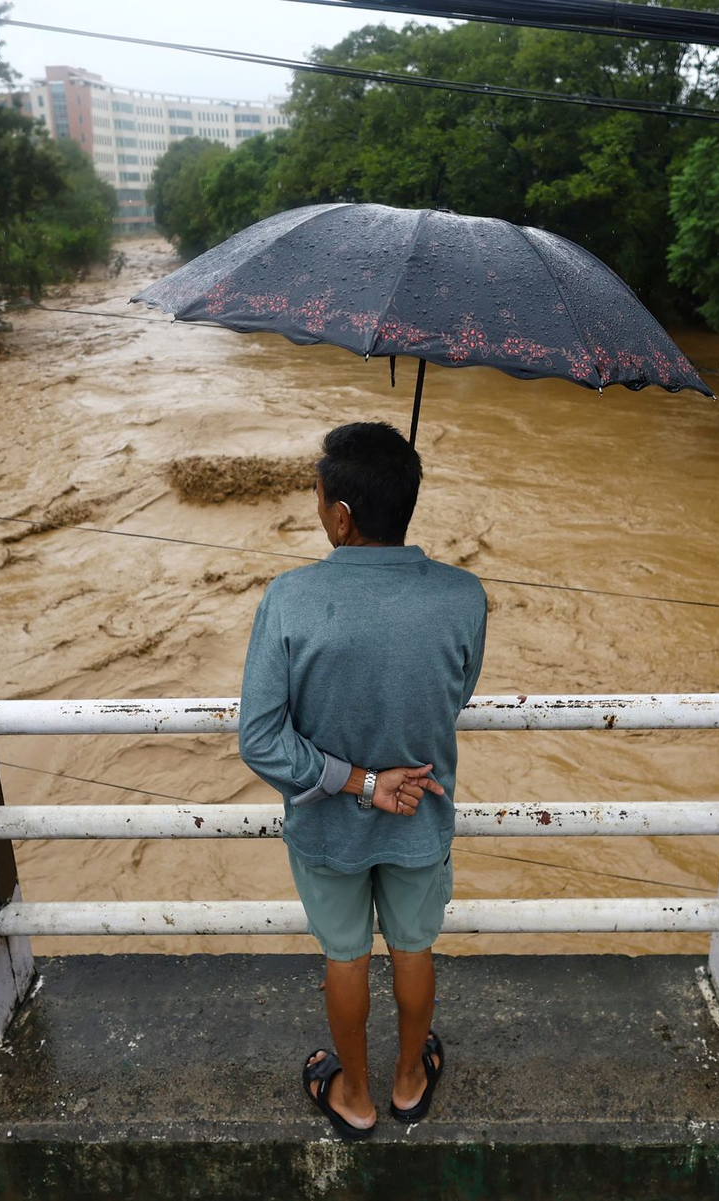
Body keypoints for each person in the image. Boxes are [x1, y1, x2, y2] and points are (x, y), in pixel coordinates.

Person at [238, 421, 487, 1141]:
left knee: (345, 955)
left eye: (319, 497)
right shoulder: (464, 595)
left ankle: (354, 1094)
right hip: (421, 813)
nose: (318, 509)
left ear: (341, 515)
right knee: (413, 947)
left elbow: (259, 737)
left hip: (328, 824)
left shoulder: (289, 598)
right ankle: (410, 1080)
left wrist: (356, 779)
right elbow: (455, 692)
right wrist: (388, 772)